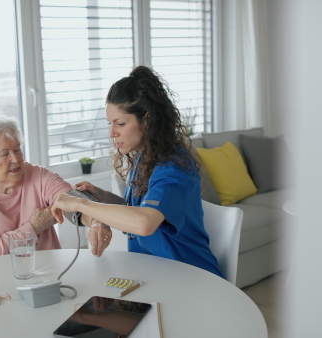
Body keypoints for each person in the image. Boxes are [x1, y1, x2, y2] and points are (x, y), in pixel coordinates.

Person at [51, 66, 223, 277]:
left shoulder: (173, 168)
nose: (112, 133)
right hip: (153, 273)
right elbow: (136, 210)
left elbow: (144, 223)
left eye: (120, 123)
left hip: (191, 278)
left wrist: (81, 203)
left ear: (147, 120)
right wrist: (102, 196)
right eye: (110, 124)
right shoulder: (144, 158)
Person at [0, 115, 111, 262]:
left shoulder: (38, 175)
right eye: (4, 154)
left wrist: (96, 221)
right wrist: (34, 227)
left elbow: (73, 200)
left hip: (49, 272)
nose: (15, 159)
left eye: (17, 149)